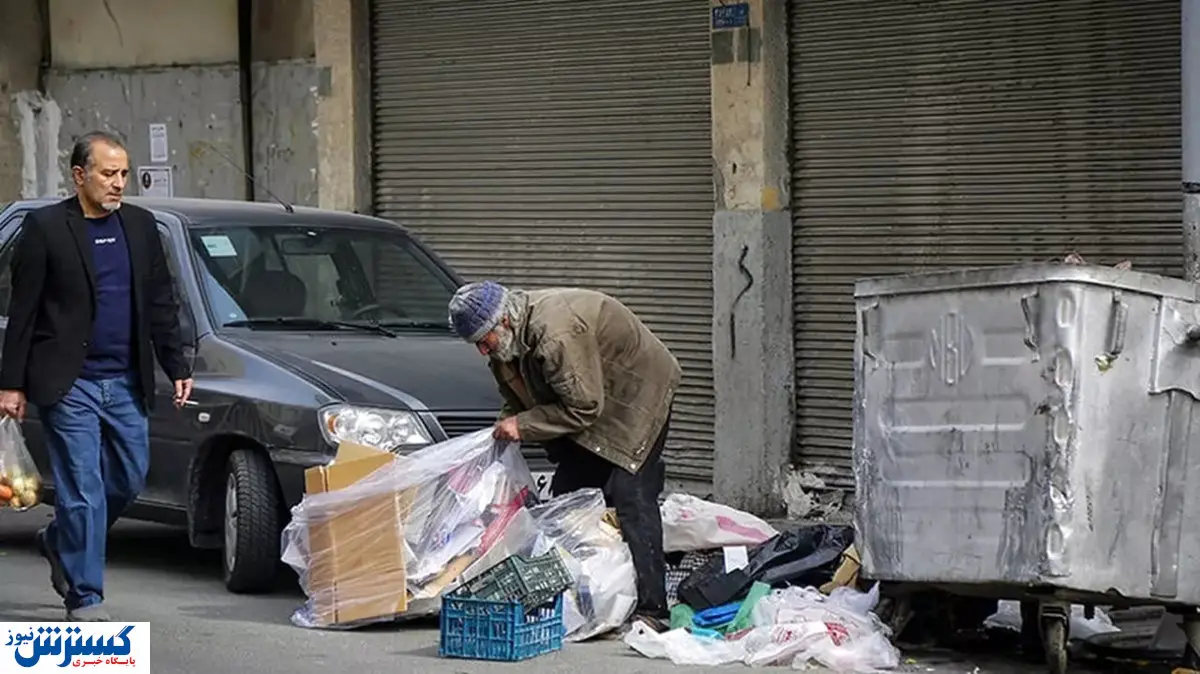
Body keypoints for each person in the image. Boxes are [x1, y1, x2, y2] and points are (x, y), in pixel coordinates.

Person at [0, 130, 194, 621]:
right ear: (80, 175)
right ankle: (85, 595)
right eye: (109, 174)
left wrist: (176, 365)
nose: (118, 183)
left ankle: (60, 538)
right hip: (70, 383)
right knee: (82, 490)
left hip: (126, 380)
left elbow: (161, 303)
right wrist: (11, 383)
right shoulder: (46, 229)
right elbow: (23, 311)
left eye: (124, 174)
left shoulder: (141, 227)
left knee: (128, 478)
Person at [447, 281, 681, 629]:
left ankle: (653, 608)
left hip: (636, 394)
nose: (483, 350)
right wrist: (503, 429)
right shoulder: (502, 348)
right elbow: (517, 397)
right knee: (569, 497)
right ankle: (586, 596)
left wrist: (523, 426)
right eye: (476, 344)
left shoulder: (555, 333)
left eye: (485, 340)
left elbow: (585, 406)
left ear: (504, 322)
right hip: (589, 397)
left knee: (631, 494)